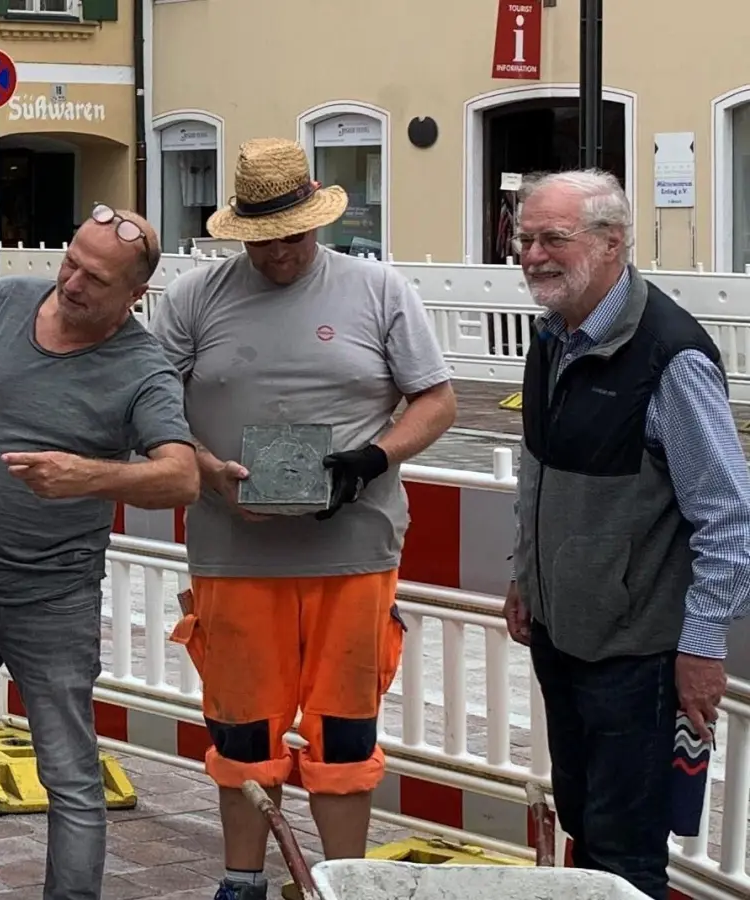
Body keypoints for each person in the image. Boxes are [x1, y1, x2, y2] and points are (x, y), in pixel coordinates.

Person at [150, 137, 456, 900]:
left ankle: (337, 884)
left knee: (345, 729)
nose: (278, 254)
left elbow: (436, 401)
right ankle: (243, 880)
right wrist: (205, 467)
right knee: (241, 729)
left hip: (353, 549)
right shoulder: (195, 299)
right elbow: (150, 405)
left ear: (316, 221)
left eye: (292, 237)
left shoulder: (380, 291)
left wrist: (373, 460)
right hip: (235, 550)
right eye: (261, 240)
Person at [0, 204, 201, 900]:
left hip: (54, 599)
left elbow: (182, 474)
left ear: (135, 296)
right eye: (70, 260)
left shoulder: (142, 366)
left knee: (68, 774)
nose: (70, 282)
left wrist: (90, 475)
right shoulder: (7, 299)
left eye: (94, 278)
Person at [501, 169, 750, 900]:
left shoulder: (671, 358)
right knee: (584, 816)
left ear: (611, 243)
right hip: (563, 635)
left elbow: (729, 516)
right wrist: (526, 574)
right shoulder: (553, 335)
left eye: (554, 238)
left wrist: (702, 646)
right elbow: (538, 472)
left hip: (637, 656)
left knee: (625, 848)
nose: (534, 255)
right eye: (525, 238)